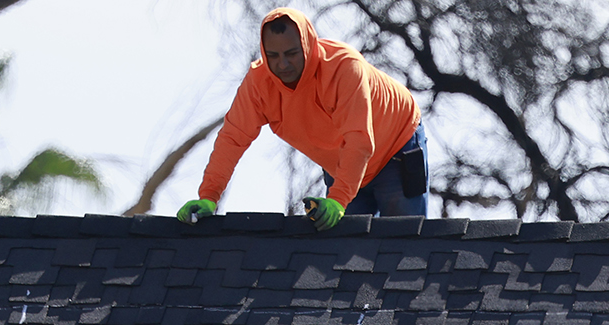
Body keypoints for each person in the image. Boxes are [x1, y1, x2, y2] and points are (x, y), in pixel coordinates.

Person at [178, 7, 428, 229]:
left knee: (403, 245)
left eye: (291, 53)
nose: (283, 64)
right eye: (273, 56)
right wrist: (209, 196)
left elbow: (360, 140)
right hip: (343, 165)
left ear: (308, 45)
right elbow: (232, 139)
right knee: (343, 257)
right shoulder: (259, 84)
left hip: (396, 149)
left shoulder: (343, 67)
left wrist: (338, 200)